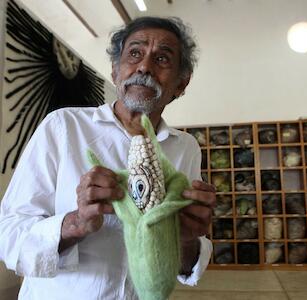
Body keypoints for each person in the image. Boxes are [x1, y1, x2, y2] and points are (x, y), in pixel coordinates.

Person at [0, 16, 216, 299]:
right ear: (115, 71)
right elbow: (9, 236)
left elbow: (184, 261)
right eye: (134, 53)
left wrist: (185, 239)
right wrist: (75, 223)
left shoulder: (185, 147)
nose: (144, 67)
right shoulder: (63, 126)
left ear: (180, 83)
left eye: (162, 59)